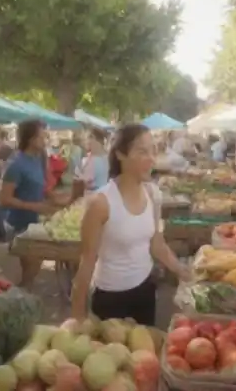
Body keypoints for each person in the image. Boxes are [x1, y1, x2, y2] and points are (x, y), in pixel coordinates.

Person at [70, 124, 192, 325]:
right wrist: (77, 318)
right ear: (120, 154)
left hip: (145, 290)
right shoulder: (101, 203)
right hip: (110, 298)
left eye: (153, 150)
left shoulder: (152, 194)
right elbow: (87, 263)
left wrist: (181, 270)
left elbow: (157, 244)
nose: (151, 158)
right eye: (142, 151)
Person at [0, 119, 59, 287]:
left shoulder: (39, 159)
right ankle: (21, 294)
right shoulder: (16, 165)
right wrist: (33, 206)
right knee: (31, 265)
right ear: (31, 139)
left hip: (34, 222)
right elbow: (4, 199)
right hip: (18, 224)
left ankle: (24, 294)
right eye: (42, 137)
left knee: (33, 266)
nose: (45, 140)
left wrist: (55, 197)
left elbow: (39, 186)